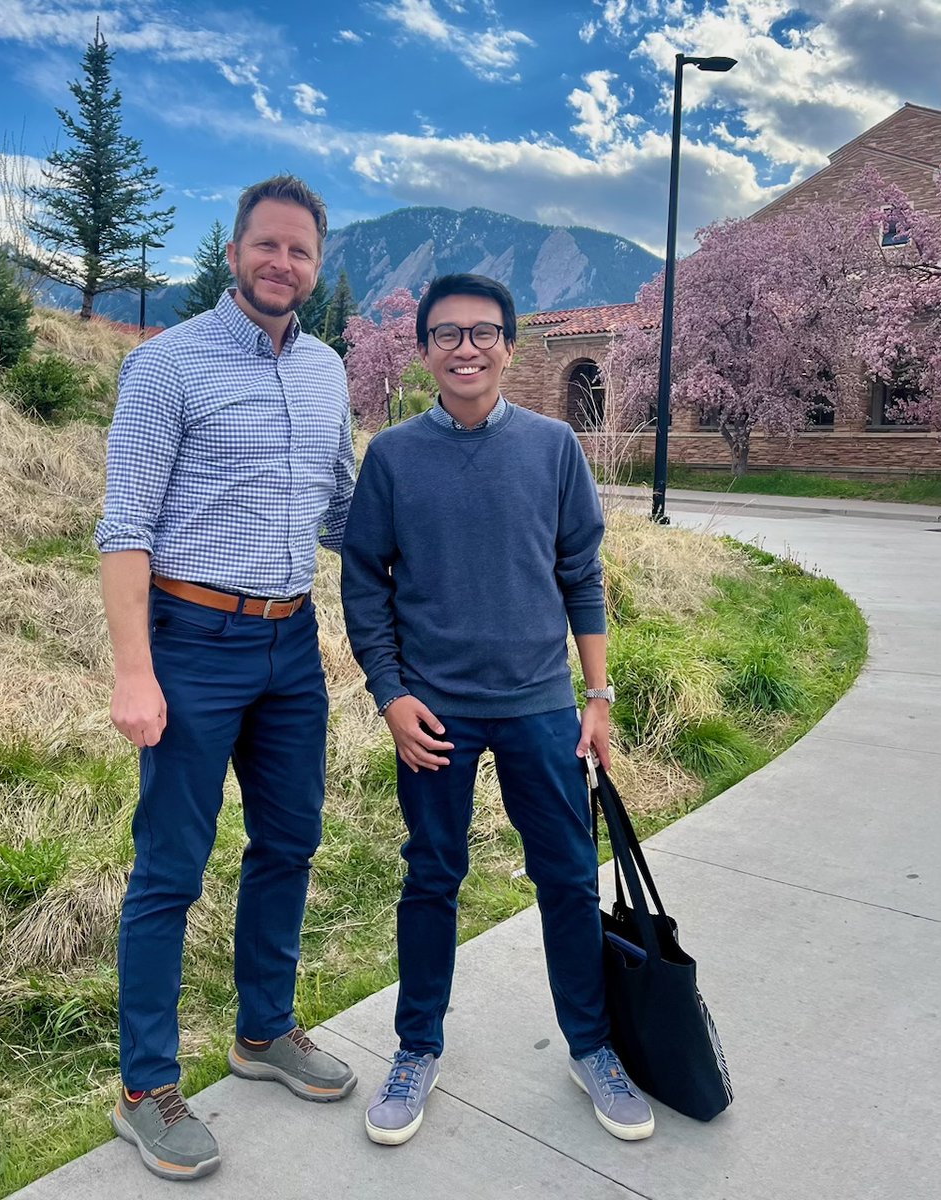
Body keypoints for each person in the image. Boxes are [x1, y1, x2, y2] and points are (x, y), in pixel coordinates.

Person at [340, 273, 655, 1148]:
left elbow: (581, 576)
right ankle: (415, 1050)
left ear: (509, 346)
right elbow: (363, 584)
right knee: (430, 878)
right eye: (447, 333)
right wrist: (390, 696)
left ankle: (591, 1048)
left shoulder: (554, 448)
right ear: (424, 348)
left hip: (540, 708)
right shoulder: (394, 456)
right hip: (432, 714)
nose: (466, 348)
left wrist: (597, 698)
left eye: (482, 332)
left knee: (564, 877)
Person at [95, 174, 357, 1182]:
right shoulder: (167, 368)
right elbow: (125, 529)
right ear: (235, 249)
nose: (281, 264)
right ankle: (144, 1089)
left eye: (299, 252)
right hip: (192, 643)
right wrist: (135, 673)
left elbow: (337, 511)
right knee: (170, 868)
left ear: (315, 265)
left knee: (289, 841)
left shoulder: (329, 370)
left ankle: (262, 1034)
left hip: (291, 644)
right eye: (266, 246)